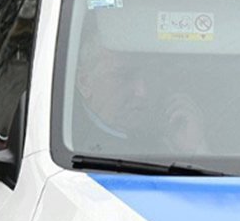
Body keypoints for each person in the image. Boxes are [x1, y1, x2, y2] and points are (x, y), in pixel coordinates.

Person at [72, 33, 208, 157]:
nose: (142, 91)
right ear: (84, 82)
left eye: (151, 74)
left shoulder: (170, 130)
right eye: (123, 76)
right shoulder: (68, 143)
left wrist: (195, 150)